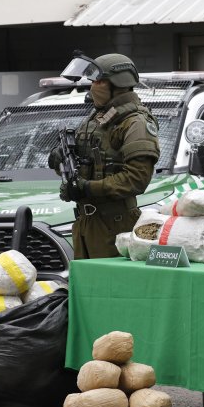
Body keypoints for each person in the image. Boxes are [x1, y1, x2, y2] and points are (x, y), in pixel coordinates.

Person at [49, 53, 159, 259]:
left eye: (99, 81)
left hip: (116, 224)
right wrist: (60, 160)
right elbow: (86, 163)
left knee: (113, 288)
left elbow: (136, 180)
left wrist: (87, 187)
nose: (93, 86)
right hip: (87, 223)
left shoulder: (135, 123)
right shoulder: (98, 118)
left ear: (119, 84)